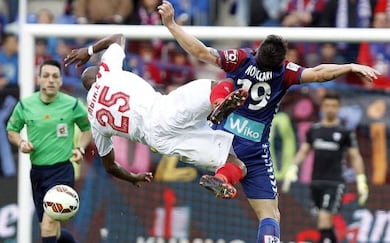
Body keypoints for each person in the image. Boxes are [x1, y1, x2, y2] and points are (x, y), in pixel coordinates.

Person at [158, 1, 380, 242]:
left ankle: (222, 171)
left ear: (258, 48)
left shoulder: (241, 59)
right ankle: (223, 171)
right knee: (270, 214)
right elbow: (319, 73)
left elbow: (201, 52)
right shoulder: (285, 72)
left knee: (227, 114)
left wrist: (170, 25)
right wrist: (349, 66)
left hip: (221, 136)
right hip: (254, 146)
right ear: (281, 59)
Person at [64, 33, 248, 199]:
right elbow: (118, 38)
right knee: (220, 86)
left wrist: (132, 177)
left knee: (237, 164)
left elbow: (110, 165)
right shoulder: (106, 73)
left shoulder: (94, 119)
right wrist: (88, 51)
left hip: (159, 141)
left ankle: (222, 179)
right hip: (162, 111)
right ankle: (218, 104)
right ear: (98, 74)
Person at [6, 60, 149, 243]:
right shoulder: (26, 106)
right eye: (46, 76)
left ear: (60, 81)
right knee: (50, 228)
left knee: (50, 222)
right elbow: (12, 130)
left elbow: (88, 128)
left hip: (62, 171)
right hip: (38, 172)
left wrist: (80, 148)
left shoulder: (72, 105)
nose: (50, 80)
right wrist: (21, 142)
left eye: (55, 76)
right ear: (39, 79)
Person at [283, 92, 369, 243]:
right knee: (323, 223)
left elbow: (355, 156)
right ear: (322, 107)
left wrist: (361, 179)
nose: (330, 109)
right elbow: (304, 150)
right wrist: (293, 169)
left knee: (324, 217)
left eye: (334, 106)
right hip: (315, 181)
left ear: (338, 108)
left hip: (335, 182)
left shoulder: (345, 132)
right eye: (327, 105)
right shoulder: (314, 130)